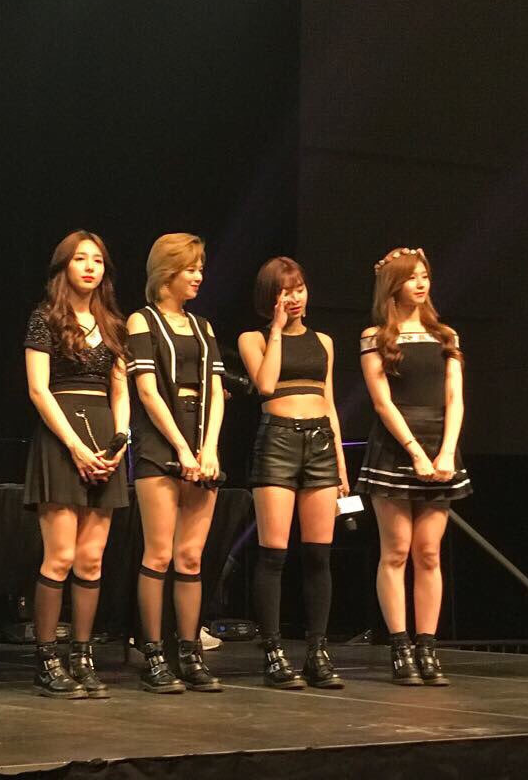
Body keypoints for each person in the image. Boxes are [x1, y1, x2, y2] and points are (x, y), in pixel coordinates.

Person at [23, 232, 130, 699]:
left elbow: (120, 389)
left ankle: (82, 655)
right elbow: (38, 389)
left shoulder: (113, 323)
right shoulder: (45, 318)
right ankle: (48, 658)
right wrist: (74, 446)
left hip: (106, 437)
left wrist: (120, 441)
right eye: (81, 259)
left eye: (98, 260)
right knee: (61, 555)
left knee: (91, 559)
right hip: (60, 438)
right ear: (63, 265)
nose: (90, 267)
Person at [356, 247, 467, 686]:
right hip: (396, 445)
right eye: (411, 277)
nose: (421, 283)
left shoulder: (445, 335)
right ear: (393, 285)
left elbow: (455, 397)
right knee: (397, 550)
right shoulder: (376, 336)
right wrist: (416, 452)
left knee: (429, 552)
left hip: (441, 443)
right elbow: (382, 402)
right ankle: (400, 647)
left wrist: (446, 451)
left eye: (425, 275)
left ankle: (427, 647)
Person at [237, 257, 347, 690]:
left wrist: (340, 464)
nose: (294, 298)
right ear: (270, 297)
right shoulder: (254, 338)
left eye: (299, 289)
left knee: (319, 554)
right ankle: (273, 652)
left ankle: (318, 652)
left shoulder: (324, 341)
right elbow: (265, 385)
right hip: (278, 441)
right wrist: (278, 330)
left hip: (320, 442)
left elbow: (330, 402)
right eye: (284, 292)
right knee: (274, 553)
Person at [126, 233, 226, 694]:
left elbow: (216, 392)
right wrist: (182, 449)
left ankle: (189, 651)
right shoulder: (141, 321)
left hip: (201, 437)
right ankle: (153, 652)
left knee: (190, 555)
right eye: (191, 268)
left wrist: (209, 448)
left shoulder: (203, 327)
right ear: (167, 271)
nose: (199, 276)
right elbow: (147, 392)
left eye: (200, 267)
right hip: (160, 440)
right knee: (160, 553)